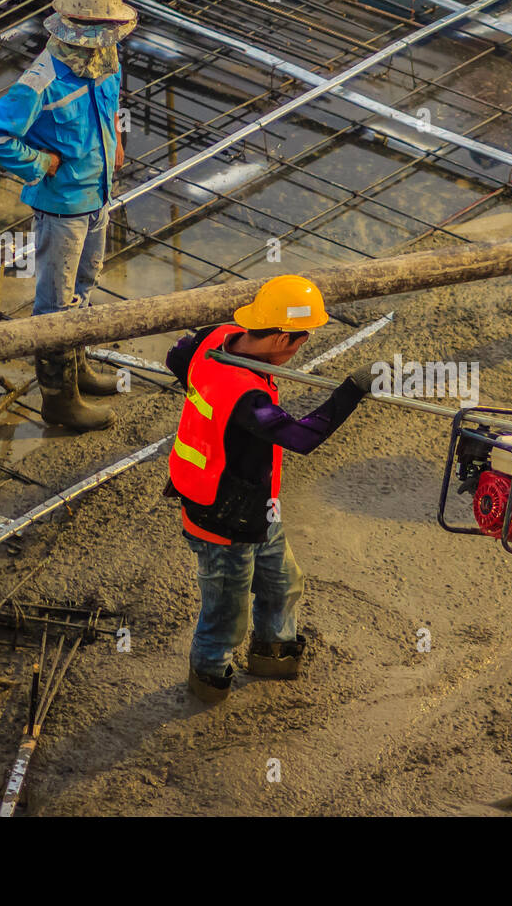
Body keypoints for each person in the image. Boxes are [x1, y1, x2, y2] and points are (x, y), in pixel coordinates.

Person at [165, 275, 378, 704]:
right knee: (225, 616)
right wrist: (353, 389)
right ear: (282, 338)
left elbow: (177, 356)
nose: (299, 350)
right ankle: (209, 680)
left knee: (283, 583)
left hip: (258, 504)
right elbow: (302, 438)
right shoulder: (245, 397)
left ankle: (274, 654)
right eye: (300, 342)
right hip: (222, 519)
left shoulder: (216, 338)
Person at [0, 0, 136, 432]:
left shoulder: (106, 59)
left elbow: (110, 104)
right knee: (54, 304)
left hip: (98, 194)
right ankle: (59, 400)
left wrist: (116, 142)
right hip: (62, 208)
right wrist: (39, 162)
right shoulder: (40, 81)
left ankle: (78, 371)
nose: (108, 39)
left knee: (86, 283)